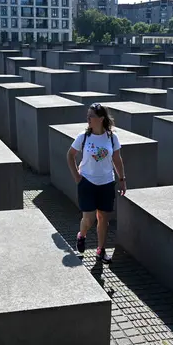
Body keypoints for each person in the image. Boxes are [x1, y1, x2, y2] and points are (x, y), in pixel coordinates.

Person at [66, 103, 127, 263]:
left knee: (103, 218)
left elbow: (117, 159)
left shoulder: (112, 137)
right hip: (87, 182)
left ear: (101, 119)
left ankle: (100, 250)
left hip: (106, 183)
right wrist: (77, 177)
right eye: (88, 115)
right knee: (89, 218)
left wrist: (122, 179)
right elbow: (70, 155)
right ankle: (82, 235)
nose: (88, 119)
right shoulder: (83, 136)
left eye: (91, 116)